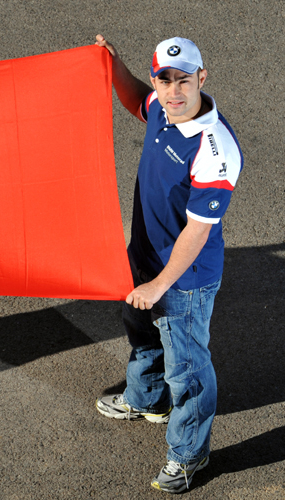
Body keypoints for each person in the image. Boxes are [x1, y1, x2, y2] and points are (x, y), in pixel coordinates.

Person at [93, 35, 242, 493]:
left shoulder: (216, 151)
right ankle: (147, 398)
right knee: (140, 331)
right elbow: (136, 96)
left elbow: (197, 233)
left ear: (202, 77)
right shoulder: (160, 104)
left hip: (183, 280)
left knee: (189, 369)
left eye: (183, 80)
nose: (173, 92)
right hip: (144, 259)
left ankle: (189, 454)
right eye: (165, 79)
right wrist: (114, 66)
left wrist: (159, 284)